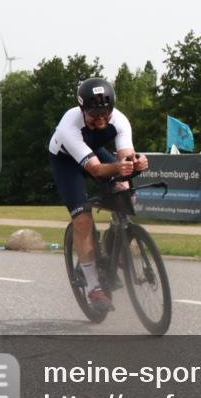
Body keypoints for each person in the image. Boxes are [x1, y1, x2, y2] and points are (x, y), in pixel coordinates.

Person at [48, 78, 148, 310]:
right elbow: (95, 169)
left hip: (94, 151)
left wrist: (137, 163)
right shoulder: (68, 127)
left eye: (106, 113)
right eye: (94, 115)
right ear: (82, 110)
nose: (101, 119)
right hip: (66, 161)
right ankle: (94, 288)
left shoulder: (120, 120)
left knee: (124, 189)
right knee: (83, 217)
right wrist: (118, 168)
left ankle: (116, 242)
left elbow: (125, 157)